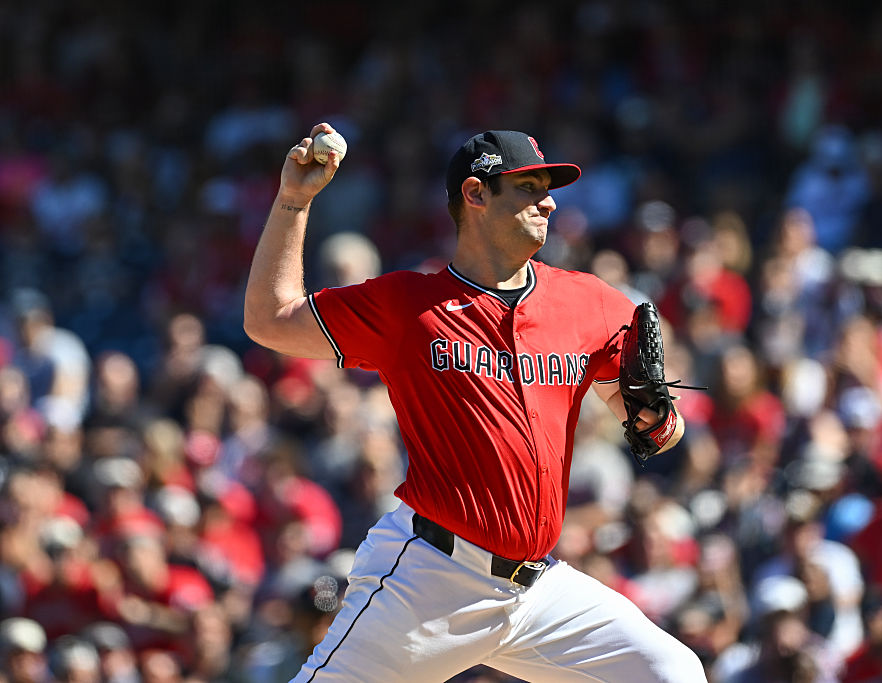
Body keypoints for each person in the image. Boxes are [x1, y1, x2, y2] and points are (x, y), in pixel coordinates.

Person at [243, 124, 706, 682]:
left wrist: (660, 421)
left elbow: (652, 423)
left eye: (548, 188)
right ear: (476, 193)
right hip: (430, 580)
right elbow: (269, 319)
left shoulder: (587, 303)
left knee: (672, 672)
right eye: (529, 187)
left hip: (537, 590)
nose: (549, 201)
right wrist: (294, 200)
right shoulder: (409, 307)